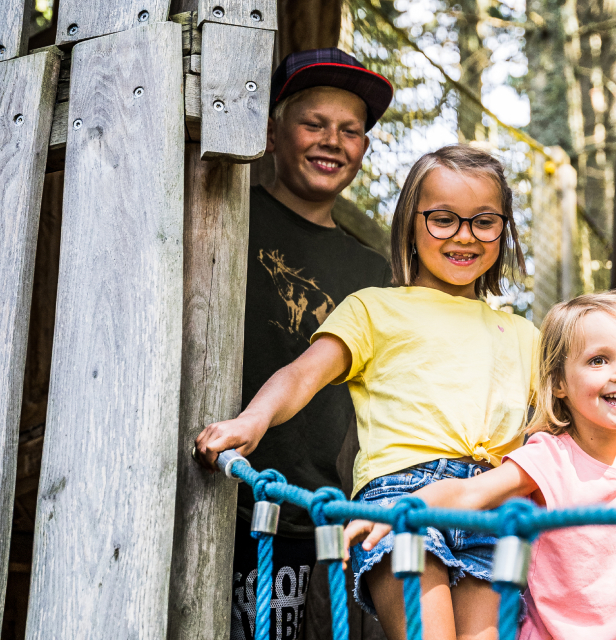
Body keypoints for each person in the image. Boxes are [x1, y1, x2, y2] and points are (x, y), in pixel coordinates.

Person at [196, 144, 537, 640]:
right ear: (410, 224)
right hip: (400, 497)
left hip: (490, 502)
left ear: (503, 230)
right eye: (443, 219)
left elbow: (559, 425)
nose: (464, 236)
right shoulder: (373, 308)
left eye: (484, 222)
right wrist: (253, 419)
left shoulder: (525, 335)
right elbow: (302, 374)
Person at [343, 290, 616, 640]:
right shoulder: (549, 456)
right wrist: (405, 508)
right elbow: (471, 492)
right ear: (559, 383)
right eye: (599, 360)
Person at [219, 48, 395, 640]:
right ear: (271, 133)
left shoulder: (374, 273)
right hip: (204, 485)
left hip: (301, 513)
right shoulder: (224, 215)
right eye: (314, 123)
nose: (332, 142)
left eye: (350, 130)